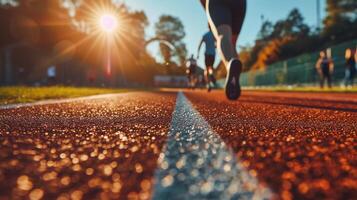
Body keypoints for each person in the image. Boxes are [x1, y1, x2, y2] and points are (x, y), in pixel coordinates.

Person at [200, 0, 246, 100]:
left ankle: (230, 63)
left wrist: (208, 10)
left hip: (217, 3)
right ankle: (234, 81)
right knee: (232, 44)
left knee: (223, 36)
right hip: (240, 3)